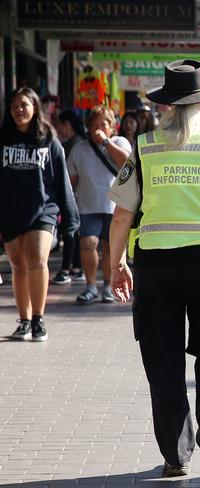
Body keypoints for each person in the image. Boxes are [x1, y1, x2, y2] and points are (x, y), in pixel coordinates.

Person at [108, 59, 200, 477]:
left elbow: (121, 216)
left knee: (164, 359)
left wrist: (117, 264)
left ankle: (176, 455)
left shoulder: (143, 146)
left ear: (166, 106)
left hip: (157, 264)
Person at [0, 87, 79, 341]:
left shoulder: (49, 140)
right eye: (14, 105)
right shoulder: (2, 140)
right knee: (18, 266)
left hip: (43, 210)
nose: (18, 109)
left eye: (24, 104)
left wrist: (70, 218)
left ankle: (38, 319)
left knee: (37, 259)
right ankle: (23, 321)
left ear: (35, 108)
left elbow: (62, 181)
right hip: (11, 211)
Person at [67, 105, 131, 304]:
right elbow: (71, 179)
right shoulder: (80, 148)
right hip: (87, 206)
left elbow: (127, 163)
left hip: (115, 207)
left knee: (111, 248)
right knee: (88, 243)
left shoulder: (120, 142)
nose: (98, 128)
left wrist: (105, 141)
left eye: (103, 124)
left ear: (112, 126)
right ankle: (91, 286)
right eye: (94, 124)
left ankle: (108, 286)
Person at [51, 110, 86, 285]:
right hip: (73, 193)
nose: (59, 128)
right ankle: (76, 267)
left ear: (67, 125)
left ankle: (68, 269)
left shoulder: (75, 143)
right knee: (73, 231)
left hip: (73, 193)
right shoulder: (73, 143)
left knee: (70, 230)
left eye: (60, 125)